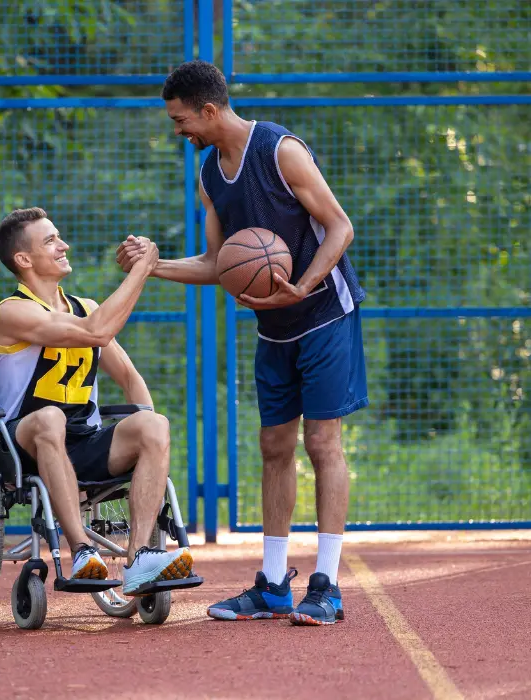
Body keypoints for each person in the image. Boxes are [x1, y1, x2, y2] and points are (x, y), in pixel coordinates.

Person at [117, 61, 368, 624]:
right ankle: (274, 584)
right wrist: (152, 266)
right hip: (273, 326)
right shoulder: (209, 174)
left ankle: (326, 585)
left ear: (208, 110)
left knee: (322, 443)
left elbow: (340, 226)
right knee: (274, 447)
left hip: (325, 313)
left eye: (182, 121)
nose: (179, 132)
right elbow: (216, 262)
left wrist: (300, 287)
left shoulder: (281, 151)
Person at [0, 207, 193, 595]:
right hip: (24, 443)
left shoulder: (85, 306)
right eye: (50, 240)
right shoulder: (12, 312)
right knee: (50, 417)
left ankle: (139, 560)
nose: (63, 245)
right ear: (24, 259)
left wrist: (150, 444)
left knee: (155, 424)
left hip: (83, 440)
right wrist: (140, 271)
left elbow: (130, 378)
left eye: (59, 236)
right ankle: (82, 551)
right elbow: (95, 333)